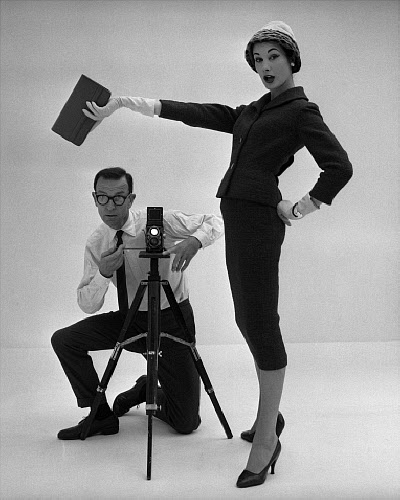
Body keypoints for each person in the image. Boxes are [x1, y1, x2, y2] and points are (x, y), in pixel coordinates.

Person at [83, 21, 353, 488]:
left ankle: (266, 439)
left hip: (260, 226)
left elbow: (339, 166)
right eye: (258, 59)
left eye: (273, 57)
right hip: (240, 224)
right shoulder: (253, 111)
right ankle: (270, 417)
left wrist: (300, 207)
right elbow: (195, 112)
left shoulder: (300, 111)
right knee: (247, 321)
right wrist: (124, 103)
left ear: (292, 59)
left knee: (261, 325)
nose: (265, 66)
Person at [51, 166, 224, 440]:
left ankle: (148, 389)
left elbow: (216, 221)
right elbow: (87, 304)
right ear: (94, 199)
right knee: (65, 340)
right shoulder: (97, 241)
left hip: (172, 319)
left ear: (131, 199)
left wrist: (194, 241)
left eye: (118, 198)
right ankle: (100, 416)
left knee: (186, 423)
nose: (110, 206)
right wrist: (104, 273)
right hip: (130, 320)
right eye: (102, 198)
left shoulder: (157, 221)